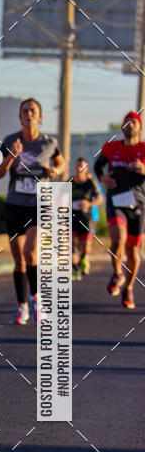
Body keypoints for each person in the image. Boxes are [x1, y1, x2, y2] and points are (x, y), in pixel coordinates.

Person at [0, 98, 64, 324]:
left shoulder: (49, 143)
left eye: (33, 111)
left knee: (30, 252)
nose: (29, 114)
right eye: (24, 111)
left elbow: (61, 164)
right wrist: (11, 157)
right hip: (15, 203)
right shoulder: (10, 141)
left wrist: (54, 170)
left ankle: (36, 299)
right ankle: (22, 305)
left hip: (39, 203)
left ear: (40, 117)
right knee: (18, 259)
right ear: (20, 117)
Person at [94, 110, 145, 309]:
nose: (129, 124)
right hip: (116, 199)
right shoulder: (111, 147)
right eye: (126, 121)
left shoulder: (143, 149)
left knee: (133, 250)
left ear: (139, 127)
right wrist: (103, 178)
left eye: (133, 122)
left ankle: (129, 287)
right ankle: (118, 273)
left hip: (138, 203)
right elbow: (98, 167)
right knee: (118, 239)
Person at [71, 157, 102, 280]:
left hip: (86, 218)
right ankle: (74, 268)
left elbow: (100, 199)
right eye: (78, 166)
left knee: (85, 246)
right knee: (71, 244)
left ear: (86, 169)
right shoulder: (70, 182)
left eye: (82, 166)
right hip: (72, 217)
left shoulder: (90, 183)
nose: (79, 169)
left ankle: (84, 257)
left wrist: (89, 204)